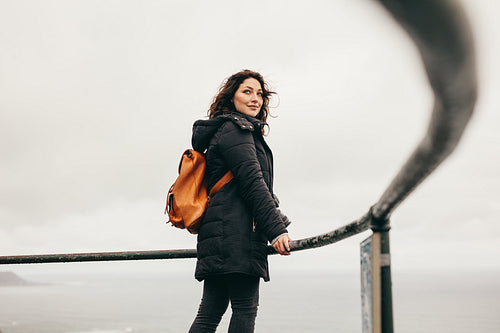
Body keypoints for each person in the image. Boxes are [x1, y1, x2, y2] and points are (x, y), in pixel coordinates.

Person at [188, 70, 292, 333]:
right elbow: (252, 184)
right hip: (236, 238)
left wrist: (275, 214)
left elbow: (243, 186)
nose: (255, 98)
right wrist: (276, 230)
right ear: (231, 96)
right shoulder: (237, 130)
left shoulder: (230, 131)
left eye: (260, 94)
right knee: (244, 310)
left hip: (222, 236)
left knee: (209, 315)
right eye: (247, 91)